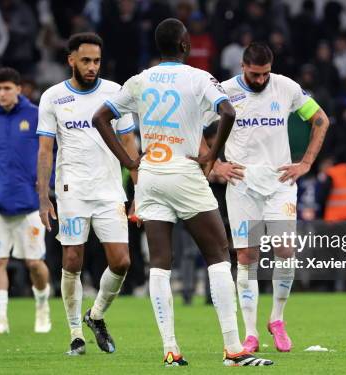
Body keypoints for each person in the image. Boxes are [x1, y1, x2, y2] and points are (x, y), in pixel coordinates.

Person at [92, 18, 273, 367]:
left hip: (151, 176)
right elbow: (228, 111)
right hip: (185, 172)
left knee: (160, 264)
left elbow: (100, 117)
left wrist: (129, 161)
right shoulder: (198, 78)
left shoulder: (140, 80)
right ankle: (234, 349)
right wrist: (211, 154)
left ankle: (170, 349)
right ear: (186, 44)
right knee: (219, 255)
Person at [207, 42, 330, 353]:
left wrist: (306, 163)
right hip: (242, 183)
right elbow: (192, 124)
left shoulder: (286, 87)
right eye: (254, 74)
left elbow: (321, 120)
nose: (260, 80)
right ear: (243, 68)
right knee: (247, 258)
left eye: (264, 74)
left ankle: (276, 319)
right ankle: (250, 334)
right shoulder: (224, 91)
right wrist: (214, 164)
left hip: (280, 182)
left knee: (285, 250)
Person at [36, 32, 138, 356]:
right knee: (71, 259)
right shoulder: (53, 97)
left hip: (110, 191)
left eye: (96, 61)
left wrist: (140, 188)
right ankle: (76, 334)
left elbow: (129, 143)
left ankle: (95, 316)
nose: (92, 66)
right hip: (71, 191)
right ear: (71, 60)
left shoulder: (115, 93)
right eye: (85, 61)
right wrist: (43, 195)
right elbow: (45, 149)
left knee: (122, 262)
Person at [0, 67, 51, 335]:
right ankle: (1, 320)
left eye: (7, 88)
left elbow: (54, 151)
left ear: (19, 89)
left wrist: (47, 183)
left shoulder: (36, 115)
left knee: (35, 264)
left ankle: (42, 307)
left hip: (28, 204)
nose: (2, 93)